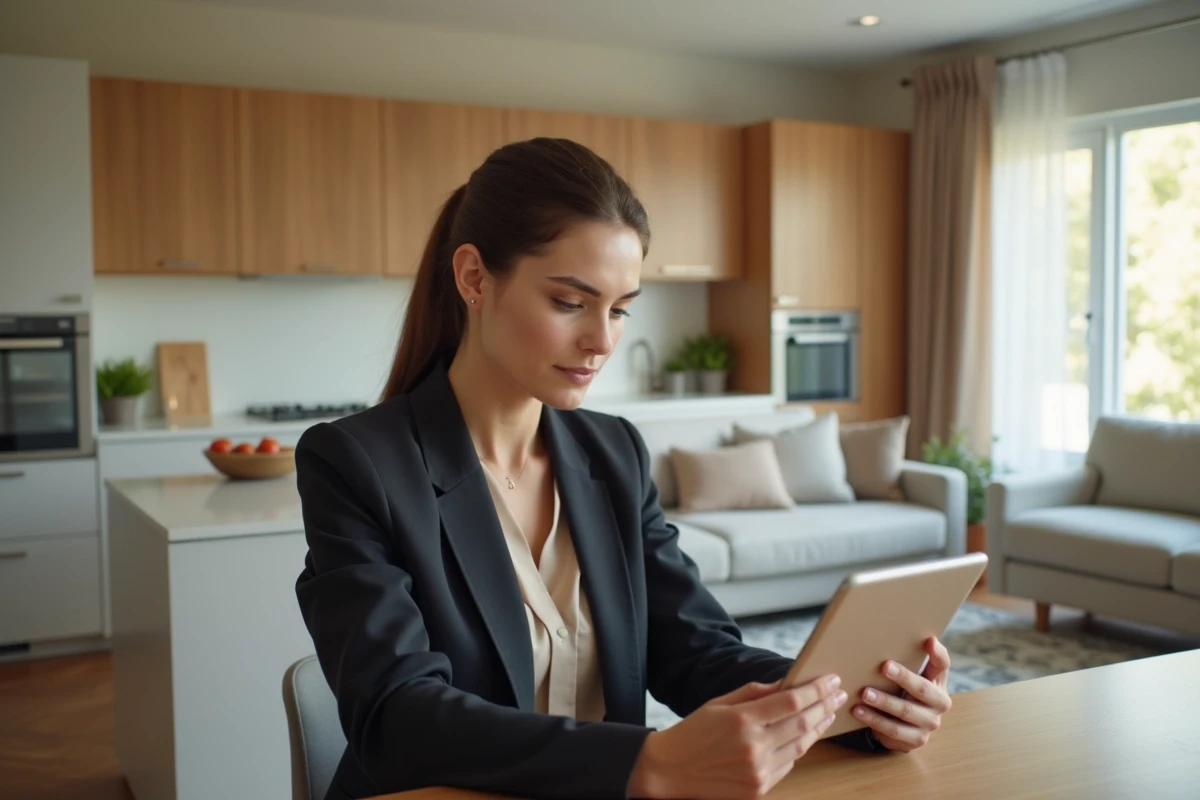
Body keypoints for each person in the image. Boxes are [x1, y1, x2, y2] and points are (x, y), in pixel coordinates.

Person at [294, 137, 954, 800]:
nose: (602, 341)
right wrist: (645, 763)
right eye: (569, 302)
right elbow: (397, 716)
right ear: (473, 279)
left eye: (619, 308)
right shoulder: (356, 464)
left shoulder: (613, 454)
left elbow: (694, 650)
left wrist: (857, 707)